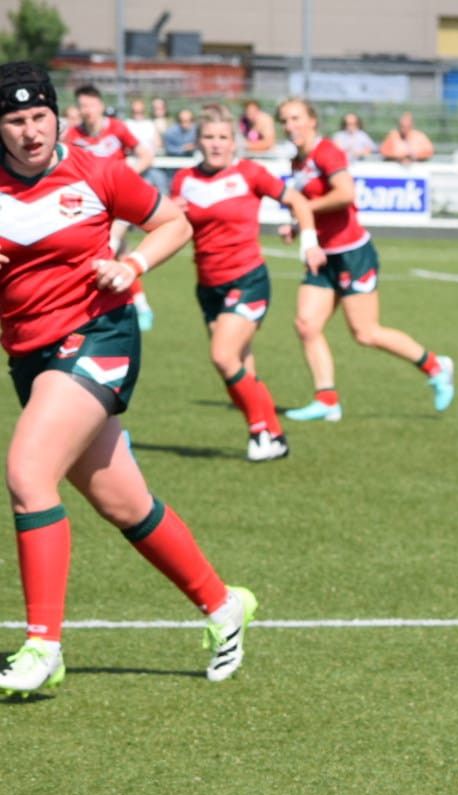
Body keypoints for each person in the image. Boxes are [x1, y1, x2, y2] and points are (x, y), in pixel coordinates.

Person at [0, 62, 257, 695]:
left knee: (29, 475)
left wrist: (133, 261)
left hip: (99, 340)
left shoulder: (96, 171)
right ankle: (225, 606)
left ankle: (43, 646)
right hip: (31, 357)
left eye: (39, 117)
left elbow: (174, 221)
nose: (30, 131)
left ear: (57, 116)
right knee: (125, 504)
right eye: (14, 120)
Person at [275, 97, 454, 422]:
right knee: (306, 325)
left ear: (312, 120)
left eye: (296, 118)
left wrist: (304, 210)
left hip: (351, 253)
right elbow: (310, 206)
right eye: (285, 120)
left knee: (366, 333)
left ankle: (436, 366)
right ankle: (327, 399)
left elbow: (345, 194)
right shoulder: (296, 164)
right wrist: (296, 225)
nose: (290, 126)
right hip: (322, 256)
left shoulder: (328, 152)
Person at [172, 106, 324, 461]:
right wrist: (170, 214)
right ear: (198, 141)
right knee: (239, 368)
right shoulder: (184, 180)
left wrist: (309, 242)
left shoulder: (250, 174)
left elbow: (298, 200)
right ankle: (274, 435)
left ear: (234, 142)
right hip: (208, 286)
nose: (215, 144)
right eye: (208, 137)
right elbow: (175, 227)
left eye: (223, 137)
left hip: (247, 279)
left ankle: (260, 433)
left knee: (222, 356)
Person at [69, 85, 157, 332]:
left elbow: (146, 155)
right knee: (118, 257)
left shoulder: (116, 129)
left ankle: (100, 309)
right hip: (92, 205)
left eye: (90, 105)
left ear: (99, 105)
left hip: (118, 203)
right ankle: (140, 305)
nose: (86, 111)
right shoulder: (74, 136)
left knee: (109, 246)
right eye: (82, 106)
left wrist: (126, 180)